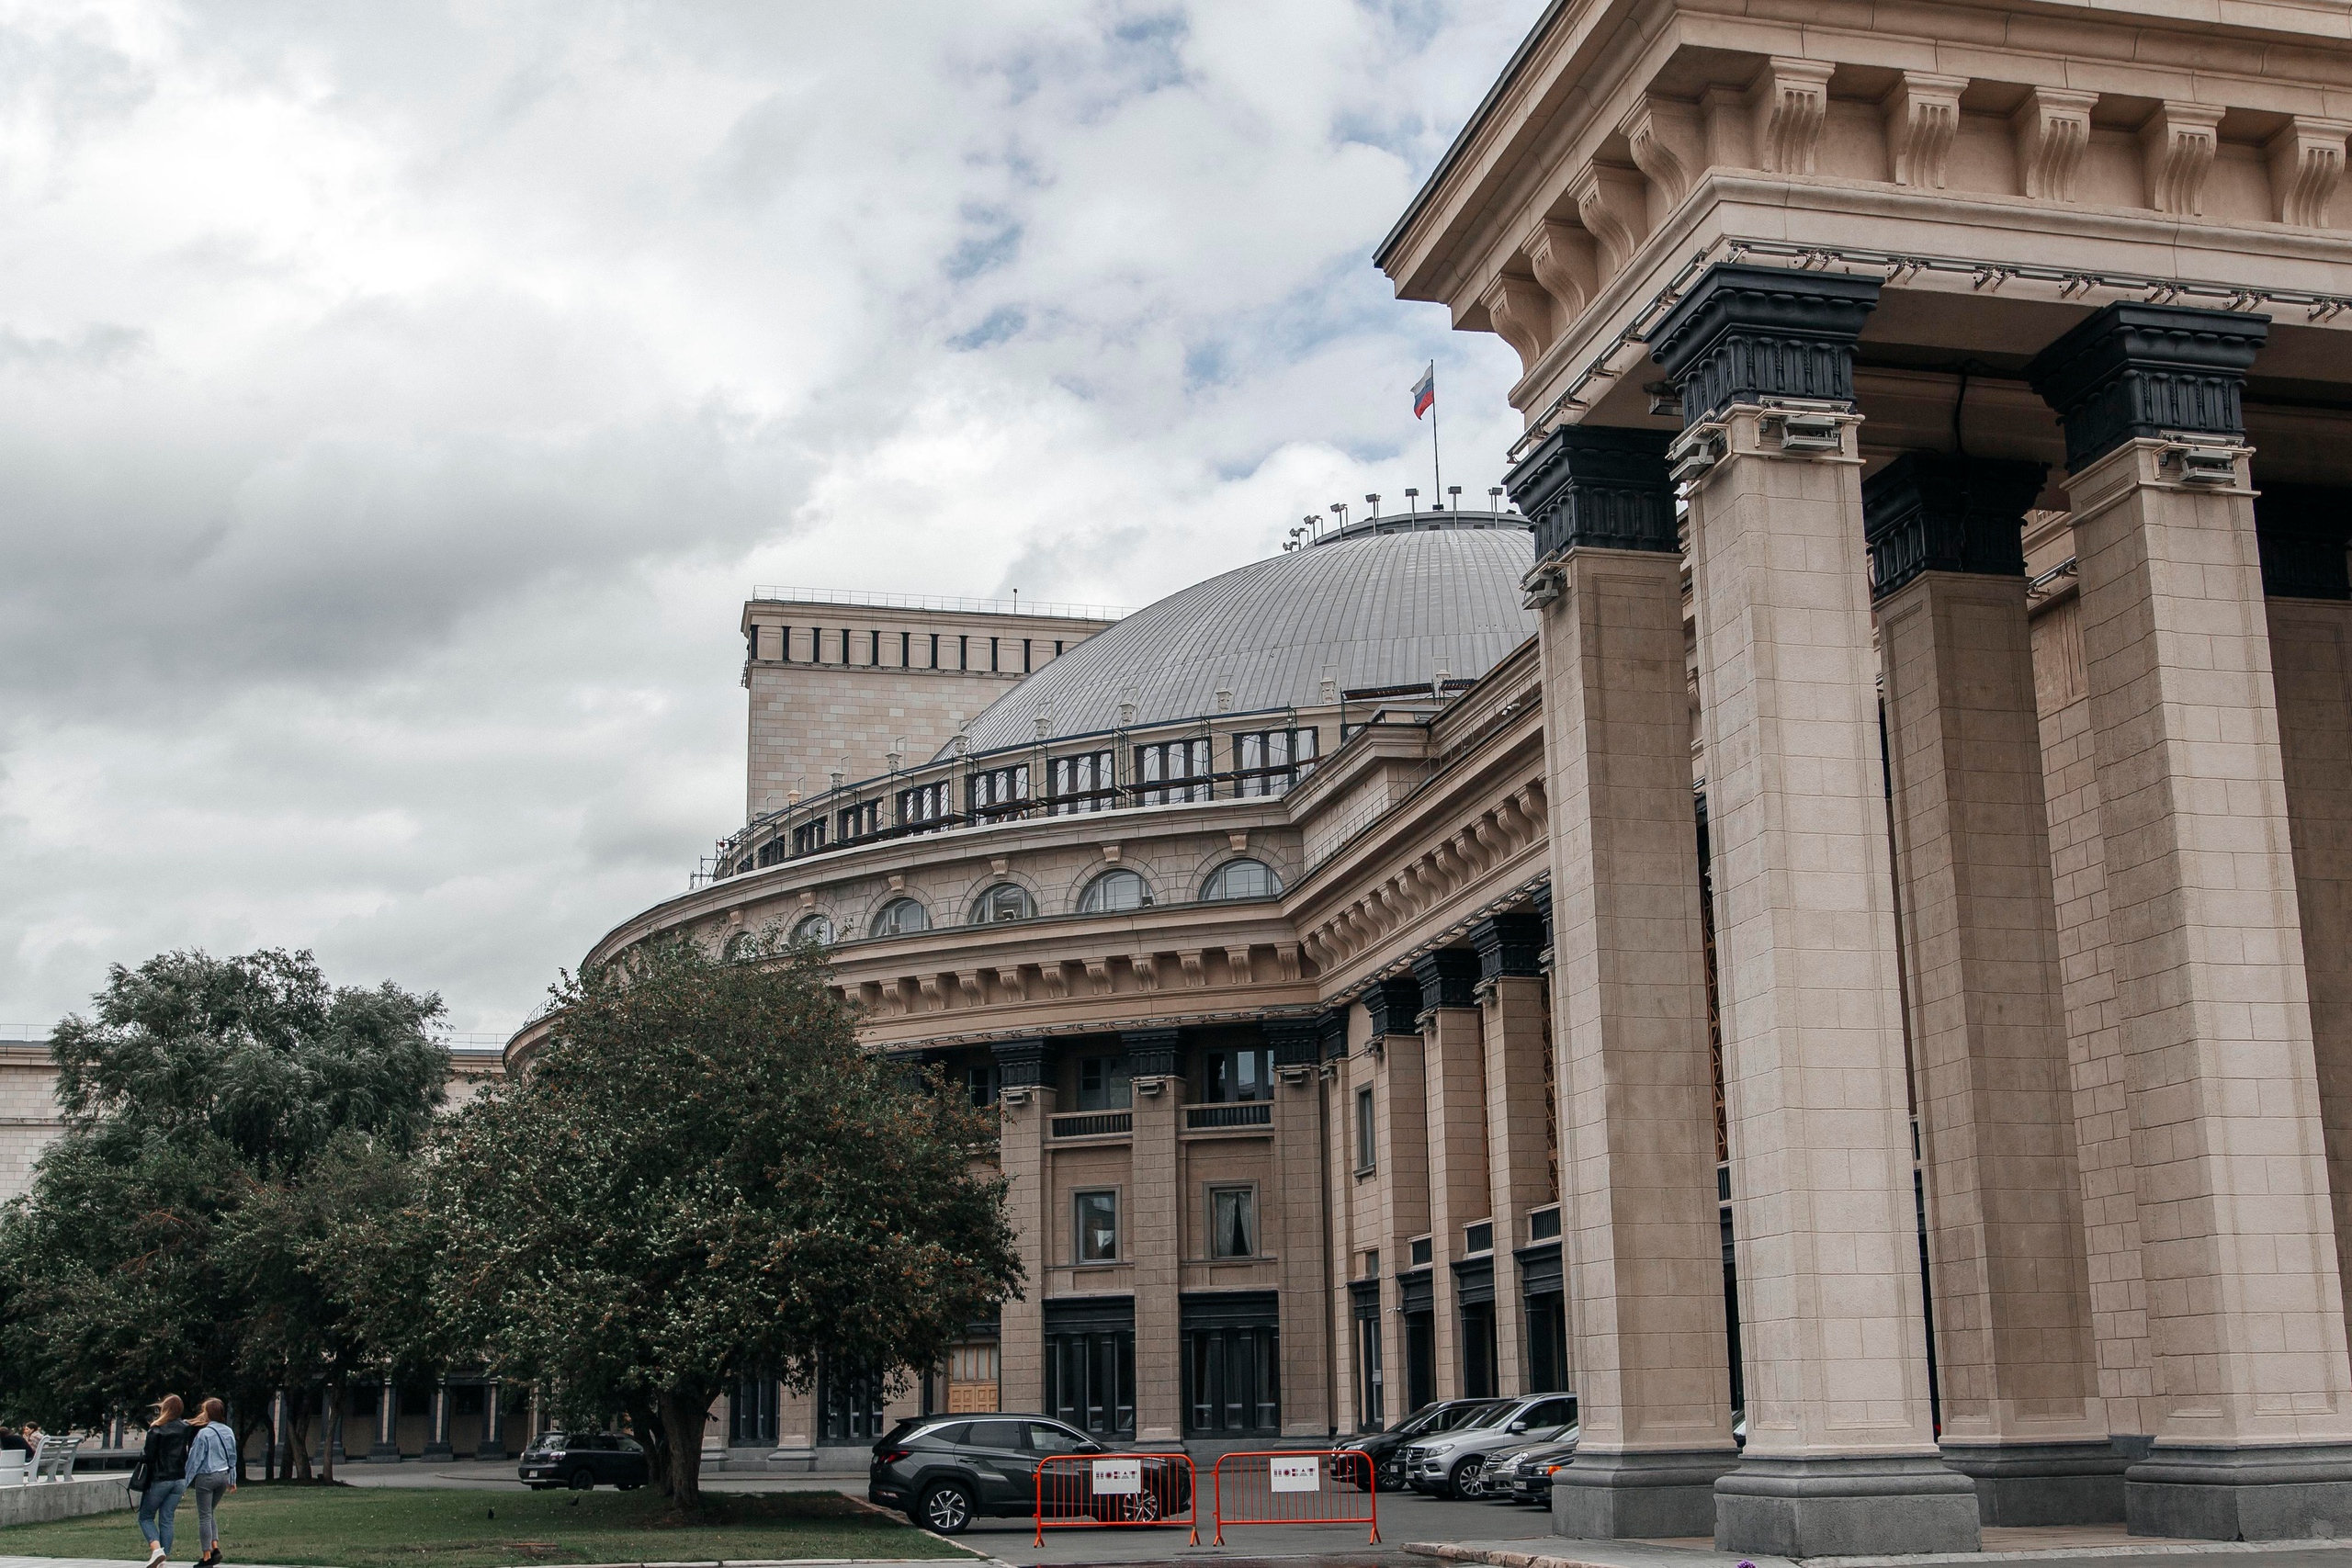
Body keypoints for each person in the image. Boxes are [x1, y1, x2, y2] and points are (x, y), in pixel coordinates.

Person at [136, 1395, 193, 1568]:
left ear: (164, 1408)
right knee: (167, 1518)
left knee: (145, 1517)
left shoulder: (157, 1429)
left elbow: (148, 1456)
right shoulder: (185, 1428)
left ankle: (156, 1550)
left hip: (160, 1479)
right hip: (179, 1478)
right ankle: (163, 1559)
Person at [185, 1399, 237, 1568]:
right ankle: (215, 1547)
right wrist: (233, 1479)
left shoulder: (204, 1434)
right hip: (223, 1476)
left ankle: (206, 1556)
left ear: (208, 1413)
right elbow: (232, 1457)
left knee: (204, 1516)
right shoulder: (228, 1431)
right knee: (210, 1512)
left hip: (206, 1477)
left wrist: (184, 1482)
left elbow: (194, 1460)